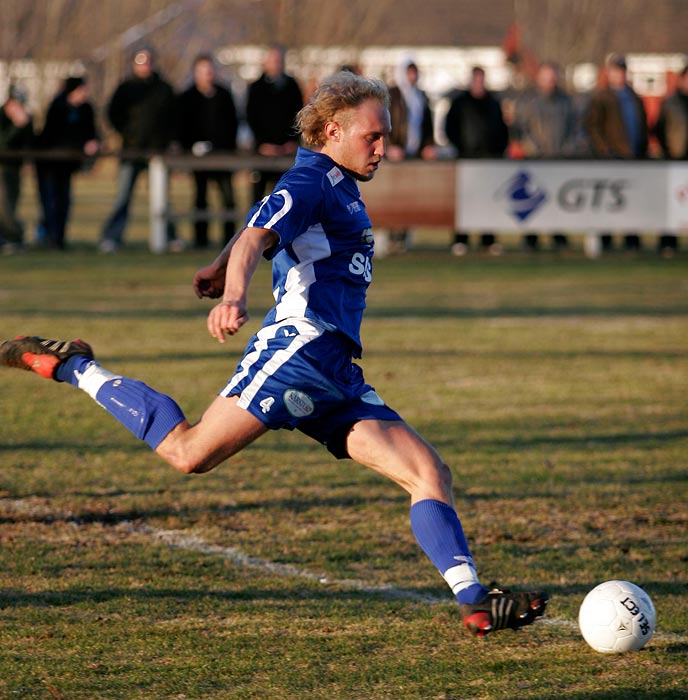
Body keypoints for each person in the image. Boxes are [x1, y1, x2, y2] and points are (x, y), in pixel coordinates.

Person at [0, 71, 549, 638]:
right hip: (298, 351)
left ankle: (476, 603)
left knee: (429, 472)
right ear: (333, 131)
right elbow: (258, 237)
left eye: (386, 135)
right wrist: (234, 293)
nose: (385, 147)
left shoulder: (334, 180)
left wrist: (217, 264)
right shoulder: (313, 179)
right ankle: (71, 365)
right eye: (374, 136)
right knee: (189, 453)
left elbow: (262, 222)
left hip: (335, 370)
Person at [99, 47, 178, 253]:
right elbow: (112, 114)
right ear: (134, 64)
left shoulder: (163, 89)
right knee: (123, 196)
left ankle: (169, 237)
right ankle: (112, 237)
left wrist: (166, 140)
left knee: (162, 200)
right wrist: (127, 133)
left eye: (148, 62)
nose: (145, 66)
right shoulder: (125, 89)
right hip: (131, 151)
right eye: (140, 62)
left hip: (157, 153)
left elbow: (175, 118)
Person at [512, 62, 584, 251]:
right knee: (534, 201)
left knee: (556, 201)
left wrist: (568, 148)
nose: (550, 81)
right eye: (546, 77)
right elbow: (521, 129)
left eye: (553, 77)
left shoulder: (566, 102)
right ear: (539, 78)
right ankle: (531, 238)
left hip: (559, 160)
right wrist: (532, 149)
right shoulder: (529, 102)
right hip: (535, 160)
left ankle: (557, 236)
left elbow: (576, 129)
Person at [584, 53, 648, 251]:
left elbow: (642, 125)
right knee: (608, 203)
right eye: (615, 71)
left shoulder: (633, 97)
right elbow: (592, 126)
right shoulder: (602, 97)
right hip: (611, 159)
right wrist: (605, 150)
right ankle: (606, 241)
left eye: (621, 71)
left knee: (632, 201)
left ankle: (632, 240)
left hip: (632, 158)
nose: (619, 75)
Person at [444, 66, 508, 255]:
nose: (479, 83)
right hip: (465, 160)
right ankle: (460, 239)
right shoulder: (460, 103)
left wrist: (498, 151)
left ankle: (488, 240)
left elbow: (502, 130)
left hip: (489, 162)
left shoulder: (493, 103)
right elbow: (449, 128)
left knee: (488, 201)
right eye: (476, 79)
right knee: (464, 201)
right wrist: (461, 148)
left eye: (482, 79)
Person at [178, 54, 239, 249]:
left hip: (222, 156)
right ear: (196, 73)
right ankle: (200, 240)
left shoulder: (223, 95)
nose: (208, 75)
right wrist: (192, 146)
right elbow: (182, 127)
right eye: (203, 71)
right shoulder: (187, 97)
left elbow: (232, 124)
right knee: (200, 198)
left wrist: (223, 147)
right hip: (198, 159)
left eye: (210, 71)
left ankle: (230, 241)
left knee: (228, 200)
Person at [36, 76, 100, 250]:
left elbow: (92, 132)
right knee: (50, 201)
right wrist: (81, 144)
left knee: (64, 201)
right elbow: (54, 135)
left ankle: (59, 238)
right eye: (82, 90)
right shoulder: (58, 106)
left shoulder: (86, 109)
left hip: (67, 165)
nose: (85, 93)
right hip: (49, 164)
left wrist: (93, 141)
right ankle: (49, 237)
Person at [385, 59, 437, 252]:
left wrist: (428, 145)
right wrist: (389, 147)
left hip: (413, 155)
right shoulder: (392, 95)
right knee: (395, 197)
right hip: (396, 156)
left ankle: (405, 236)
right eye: (409, 73)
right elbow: (384, 123)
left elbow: (427, 124)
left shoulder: (421, 96)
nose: (412, 77)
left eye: (414, 73)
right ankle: (393, 236)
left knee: (410, 197)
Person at [246, 44, 304, 203]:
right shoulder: (256, 88)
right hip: (262, 153)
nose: (276, 63)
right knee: (257, 201)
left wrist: (292, 142)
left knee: (287, 198)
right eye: (273, 60)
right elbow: (251, 118)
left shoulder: (292, 86)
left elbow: (300, 116)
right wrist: (262, 144)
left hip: (287, 152)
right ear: (265, 62)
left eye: (279, 60)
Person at [653, 64, 688, 256]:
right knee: (672, 204)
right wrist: (668, 152)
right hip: (676, 161)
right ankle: (668, 243)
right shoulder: (671, 103)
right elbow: (658, 129)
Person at [0, 85, 34, 252]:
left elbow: (30, 143)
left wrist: (24, 125)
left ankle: (8, 238)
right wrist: (16, 126)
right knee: (3, 204)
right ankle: (14, 236)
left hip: (15, 167)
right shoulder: (2, 117)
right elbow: (3, 143)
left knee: (11, 204)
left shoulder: (26, 119)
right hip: (1, 167)